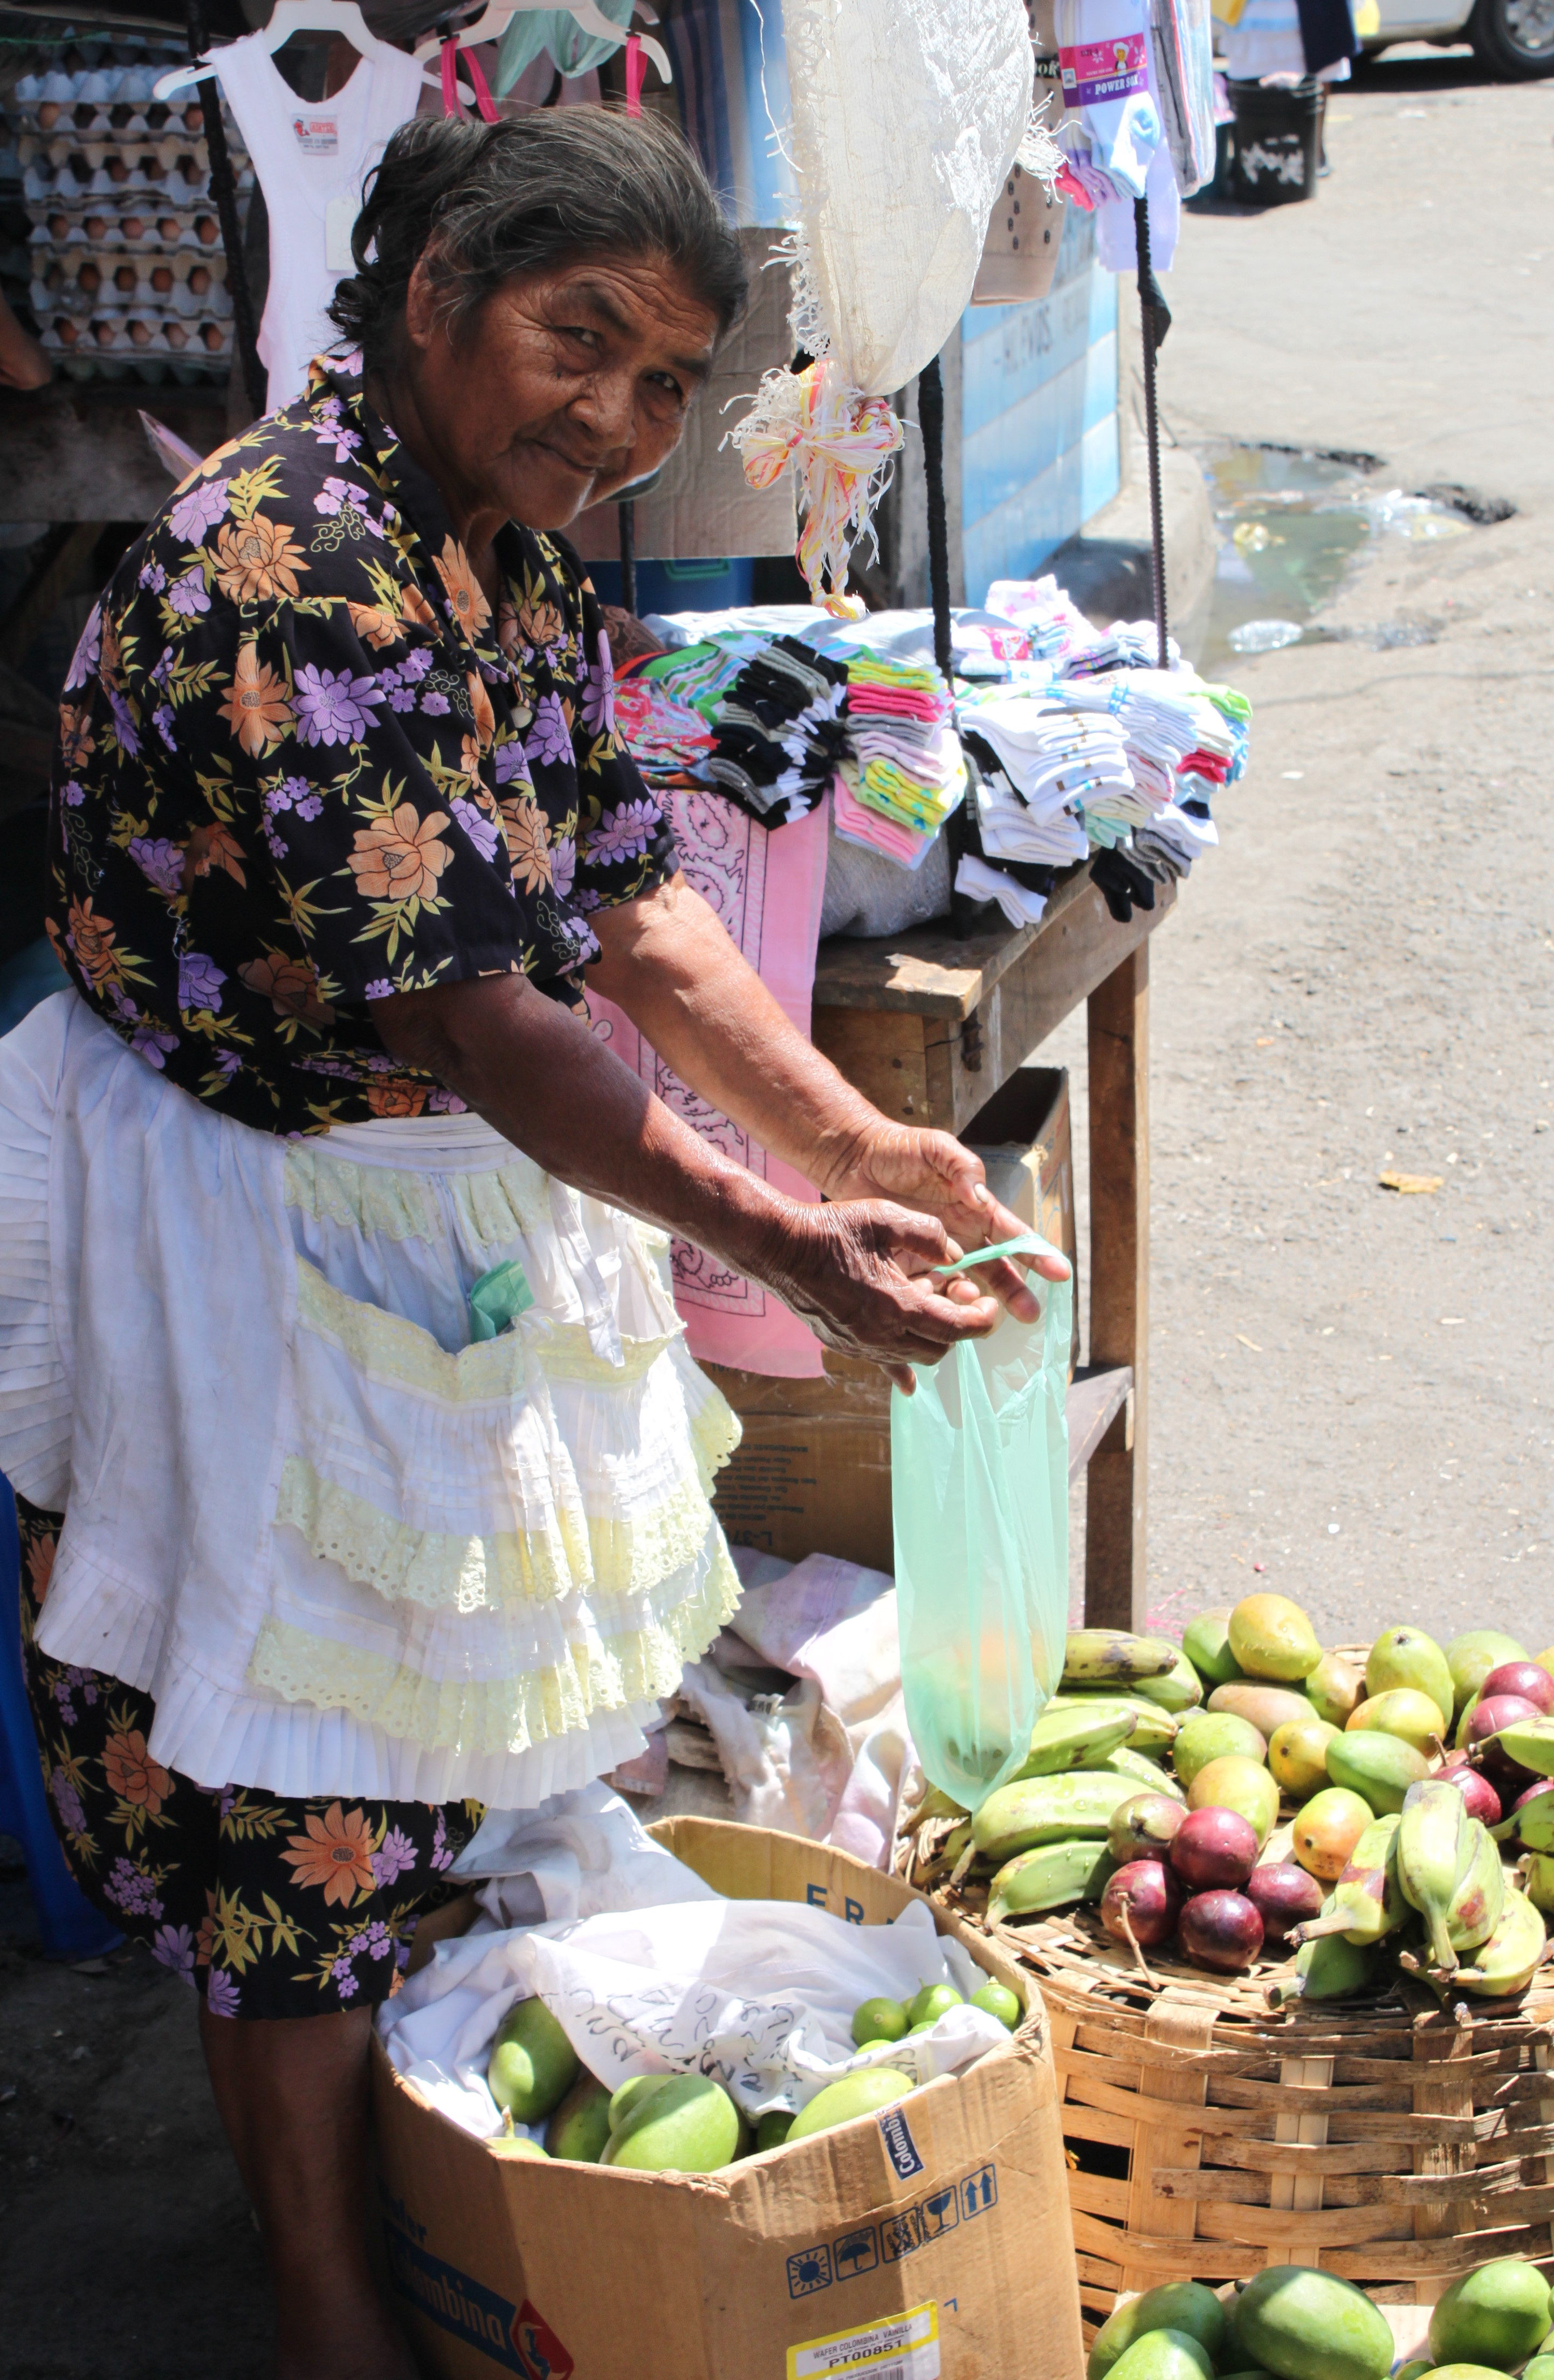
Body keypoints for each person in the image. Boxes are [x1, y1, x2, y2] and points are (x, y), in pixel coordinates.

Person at [0, 107, 1067, 2379]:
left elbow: (625, 900)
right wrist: (789, 1244)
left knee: (412, 1748)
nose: (616, 416)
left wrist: (855, 1144)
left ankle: (438, 2202)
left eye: (665, 379)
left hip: (405, 1207)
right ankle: (327, 2304)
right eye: (577, 339)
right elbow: (481, 1014)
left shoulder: (504, 552)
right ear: (432, 294)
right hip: (249, 1215)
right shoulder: (299, 578)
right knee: (289, 1791)